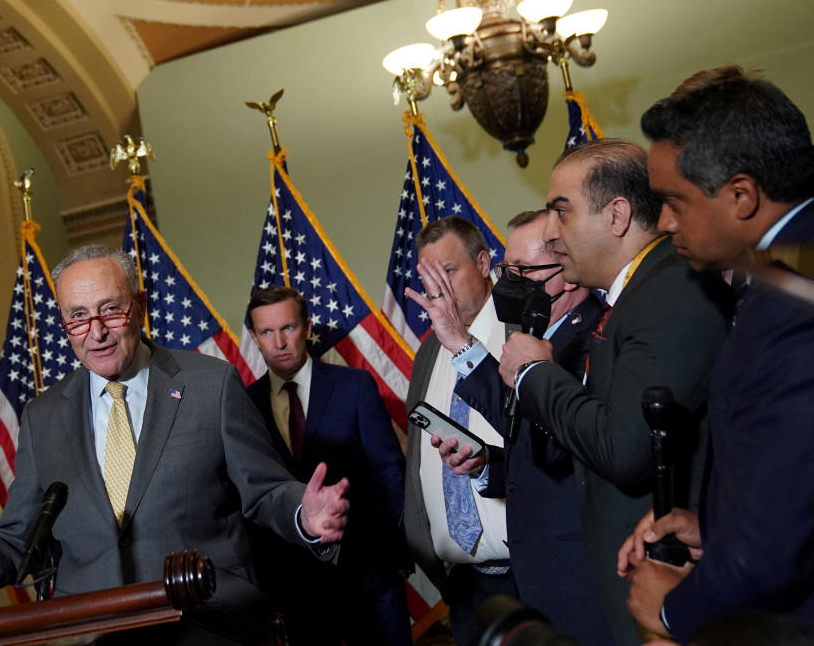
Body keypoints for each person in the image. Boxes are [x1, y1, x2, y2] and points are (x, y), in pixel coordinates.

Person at [0, 245, 350, 645]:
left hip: (208, 623)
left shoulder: (211, 385)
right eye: (78, 317)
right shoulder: (43, 416)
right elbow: (17, 539)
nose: (96, 331)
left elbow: (266, 491)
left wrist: (304, 514)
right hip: (92, 633)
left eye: (110, 309)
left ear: (139, 306)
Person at [497, 139, 732, 646]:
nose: (552, 233)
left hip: (673, 588)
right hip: (632, 576)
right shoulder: (633, 296)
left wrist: (535, 374)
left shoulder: (670, 290)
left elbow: (625, 449)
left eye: (562, 212)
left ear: (618, 215)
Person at [616, 68, 814, 641]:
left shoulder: (791, 308)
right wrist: (720, 529)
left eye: (674, 201)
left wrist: (674, 610)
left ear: (741, 195)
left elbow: (767, 560)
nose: (665, 223)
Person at [434, 210, 615, 645]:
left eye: (523, 270)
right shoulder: (537, 335)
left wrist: (462, 346)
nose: (509, 282)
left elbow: (564, 443)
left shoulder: (594, 336)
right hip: (538, 569)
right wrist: (487, 464)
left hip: (579, 568)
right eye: (507, 269)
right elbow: (533, 444)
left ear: (566, 273)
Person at [244, 285, 410, 646]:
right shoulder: (243, 406)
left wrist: (399, 554)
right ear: (254, 338)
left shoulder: (355, 387)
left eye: (287, 328)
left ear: (306, 327)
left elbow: (389, 474)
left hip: (369, 576)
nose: (279, 342)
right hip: (291, 590)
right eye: (267, 332)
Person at [401, 215, 514, 646]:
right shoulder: (428, 351)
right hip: (463, 584)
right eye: (429, 278)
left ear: (483, 264)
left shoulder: (519, 329)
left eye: (448, 271)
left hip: (530, 572)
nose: (439, 290)